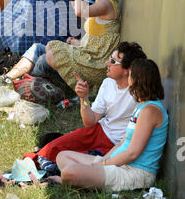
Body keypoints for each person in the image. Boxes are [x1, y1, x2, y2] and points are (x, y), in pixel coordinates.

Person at [22, 41, 147, 170]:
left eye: (113, 62)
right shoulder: (108, 83)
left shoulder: (139, 94)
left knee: (74, 162)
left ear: (127, 71)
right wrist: (84, 98)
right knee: (53, 148)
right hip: (97, 132)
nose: (107, 63)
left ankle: (46, 168)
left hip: (115, 146)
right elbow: (90, 122)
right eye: (110, 58)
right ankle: (30, 165)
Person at [49, 58, 168, 192]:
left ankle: (72, 180)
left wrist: (103, 165)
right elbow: (123, 142)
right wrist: (104, 159)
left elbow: (132, 154)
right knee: (63, 156)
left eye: (130, 75)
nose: (128, 79)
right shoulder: (142, 106)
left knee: (68, 172)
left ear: (136, 80)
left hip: (136, 172)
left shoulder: (150, 111)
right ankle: (83, 180)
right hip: (118, 164)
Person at [44, 0, 120, 95]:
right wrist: (77, 43)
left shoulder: (107, 4)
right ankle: (75, 88)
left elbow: (79, 11)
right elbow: (94, 38)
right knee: (49, 47)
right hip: (90, 55)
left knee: (52, 53)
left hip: (98, 63)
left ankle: (81, 90)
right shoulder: (95, 4)